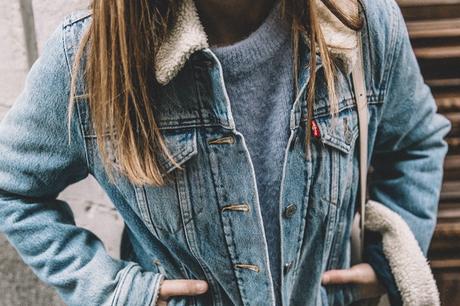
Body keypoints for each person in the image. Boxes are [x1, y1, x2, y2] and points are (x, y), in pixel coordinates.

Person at [0, 0, 451, 305]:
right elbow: (11, 188)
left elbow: (416, 142)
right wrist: (116, 291)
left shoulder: (361, 23)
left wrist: (390, 260)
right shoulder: (91, 57)